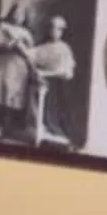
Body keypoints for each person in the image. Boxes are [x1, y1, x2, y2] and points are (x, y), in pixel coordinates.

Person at [26, 15, 79, 148]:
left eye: (59, 29)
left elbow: (67, 73)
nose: (55, 31)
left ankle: (62, 137)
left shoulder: (65, 49)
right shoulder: (43, 47)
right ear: (49, 29)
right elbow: (30, 56)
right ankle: (43, 131)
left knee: (58, 111)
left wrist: (47, 73)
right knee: (36, 100)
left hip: (59, 86)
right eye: (53, 27)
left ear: (62, 31)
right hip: (42, 85)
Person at [0, 0, 35, 144]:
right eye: (16, 12)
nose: (18, 16)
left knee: (16, 97)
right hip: (6, 65)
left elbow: (31, 51)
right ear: (11, 13)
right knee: (3, 94)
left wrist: (24, 46)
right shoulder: (3, 26)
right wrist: (11, 44)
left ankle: (10, 129)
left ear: (25, 17)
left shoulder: (26, 32)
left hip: (20, 68)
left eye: (22, 14)